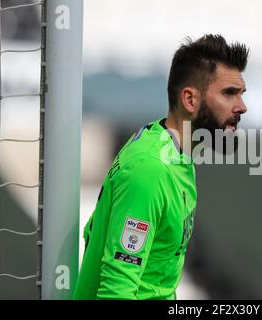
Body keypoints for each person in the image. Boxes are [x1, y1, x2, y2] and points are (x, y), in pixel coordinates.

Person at [73, 34, 249, 300]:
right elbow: (116, 291)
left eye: (241, 94)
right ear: (190, 100)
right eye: (229, 94)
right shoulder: (150, 169)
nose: (242, 107)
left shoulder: (175, 153)